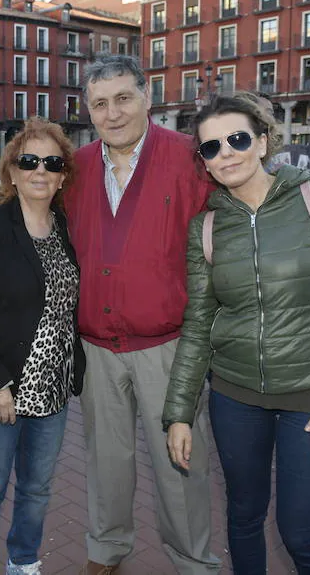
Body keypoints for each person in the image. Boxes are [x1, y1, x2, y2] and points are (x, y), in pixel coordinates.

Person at [163, 93, 310, 574]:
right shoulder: (206, 227)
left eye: (238, 139)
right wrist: (178, 413)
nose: (226, 153)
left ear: (263, 141)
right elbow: (199, 324)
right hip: (235, 397)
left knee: (300, 531)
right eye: (211, 147)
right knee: (243, 517)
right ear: (203, 161)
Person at [64, 54, 220, 575]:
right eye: (100, 103)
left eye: (123, 98)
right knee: (106, 462)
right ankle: (107, 550)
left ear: (147, 98)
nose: (113, 113)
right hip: (96, 348)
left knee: (182, 464)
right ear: (89, 110)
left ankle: (193, 560)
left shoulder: (188, 157)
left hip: (169, 347)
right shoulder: (77, 167)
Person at [0, 118, 85, 575]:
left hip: (53, 388)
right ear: (11, 171)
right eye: (29, 161)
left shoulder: (70, 230)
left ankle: (24, 560)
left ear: (63, 174)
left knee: (37, 487)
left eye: (52, 162)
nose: (40, 171)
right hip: (1, 389)